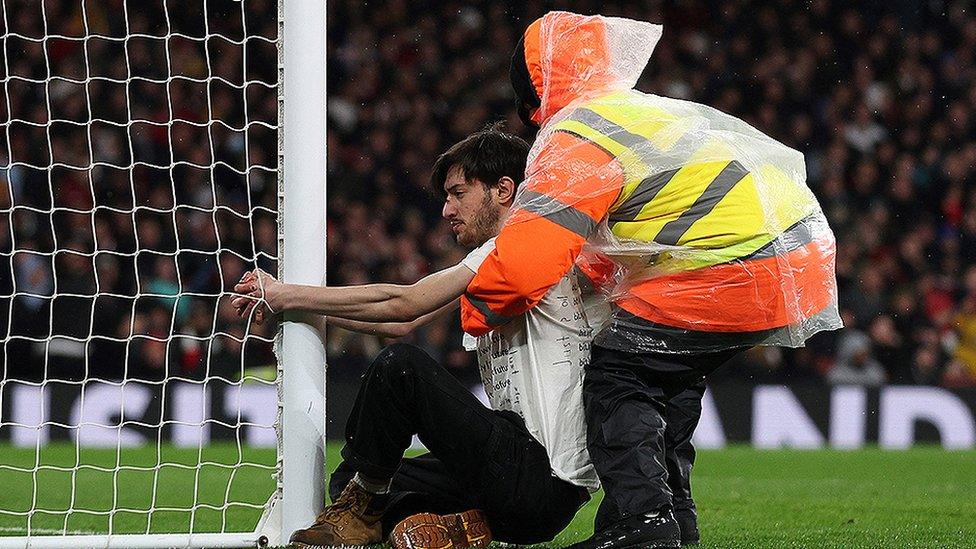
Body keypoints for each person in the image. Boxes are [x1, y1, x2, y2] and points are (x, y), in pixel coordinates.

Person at [461, 12, 842, 548]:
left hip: (727, 263)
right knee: (669, 384)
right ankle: (675, 524)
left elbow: (525, 267)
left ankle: (641, 526)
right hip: (794, 253)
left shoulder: (575, 136)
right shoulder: (642, 110)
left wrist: (477, 311)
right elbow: (627, 236)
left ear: (533, 90)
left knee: (619, 379)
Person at [233, 128, 599, 548]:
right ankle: (457, 528)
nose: (447, 209)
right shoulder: (511, 261)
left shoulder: (519, 249)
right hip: (520, 490)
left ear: (503, 189)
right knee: (351, 480)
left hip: (538, 474)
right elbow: (400, 322)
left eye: (458, 193)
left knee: (401, 368)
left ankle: (374, 510)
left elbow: (404, 304)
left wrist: (284, 293)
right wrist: (300, 309)